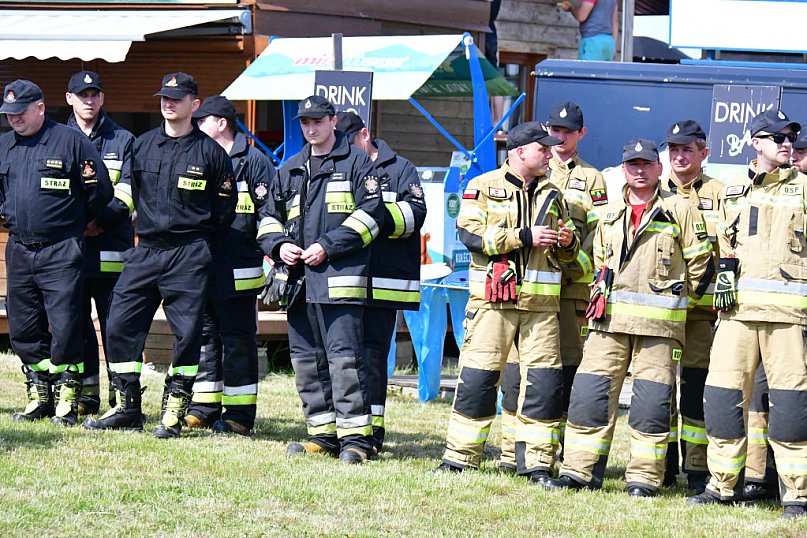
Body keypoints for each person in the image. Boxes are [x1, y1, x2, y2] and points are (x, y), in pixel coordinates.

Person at [542, 139, 713, 497]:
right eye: (632, 164)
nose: (639, 170)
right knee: (590, 398)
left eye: (646, 164)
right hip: (608, 324)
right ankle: (579, 472)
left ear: (658, 168)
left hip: (659, 329)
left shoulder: (679, 209)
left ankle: (644, 479)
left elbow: (702, 265)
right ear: (623, 169)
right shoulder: (611, 212)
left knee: (650, 405)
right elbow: (595, 261)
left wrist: (680, 301)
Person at [83, 73, 236, 438]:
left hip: (188, 253)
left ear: (194, 105)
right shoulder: (143, 145)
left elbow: (224, 210)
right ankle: (127, 406)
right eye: (164, 97)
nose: (168, 103)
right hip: (146, 250)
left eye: (177, 98)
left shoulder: (211, 154)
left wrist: (198, 243)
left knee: (186, 334)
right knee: (118, 323)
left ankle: (174, 409)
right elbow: (128, 192)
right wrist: (98, 220)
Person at [434, 122, 578, 483]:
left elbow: (570, 254)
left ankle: (538, 464)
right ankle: (460, 457)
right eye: (542, 149)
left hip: (541, 309)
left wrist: (565, 243)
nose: (550, 154)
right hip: (492, 304)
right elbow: (470, 234)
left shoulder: (553, 193)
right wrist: (522, 237)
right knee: (479, 378)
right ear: (519, 152)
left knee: (543, 386)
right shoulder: (482, 187)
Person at [687, 110, 807, 519]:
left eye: (791, 137)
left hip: (789, 319)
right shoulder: (732, 189)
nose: (787, 143)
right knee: (722, 399)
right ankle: (721, 485)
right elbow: (721, 245)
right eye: (777, 138)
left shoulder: (805, 188)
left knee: (791, 407)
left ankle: (797, 494)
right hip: (735, 316)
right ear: (756, 143)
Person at [257, 96, 385, 464]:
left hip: (339, 281)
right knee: (306, 361)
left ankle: (357, 441)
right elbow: (267, 218)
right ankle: (323, 435)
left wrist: (327, 247)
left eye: (317, 121)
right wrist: (279, 245)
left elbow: (371, 218)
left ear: (332, 121)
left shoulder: (359, 164)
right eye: (305, 123)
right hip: (298, 285)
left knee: (344, 361)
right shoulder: (290, 168)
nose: (310, 128)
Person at [499, 101, 607, 471]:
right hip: (526, 289)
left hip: (568, 292)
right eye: (553, 131)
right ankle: (511, 452)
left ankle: (550, 451)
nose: (559, 138)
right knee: (515, 373)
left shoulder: (593, 179)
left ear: (581, 134)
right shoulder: (527, 169)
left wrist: (575, 266)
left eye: (567, 132)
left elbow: (598, 238)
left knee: (560, 372)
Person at [0, 79, 112, 425]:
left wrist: (76, 222)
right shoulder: (4, 145)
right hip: (19, 247)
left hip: (61, 249)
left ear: (40, 108)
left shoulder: (70, 142)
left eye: (20, 113)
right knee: (23, 325)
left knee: (65, 325)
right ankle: (40, 392)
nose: (14, 119)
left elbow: (100, 190)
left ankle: (67, 394)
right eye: (9, 114)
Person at [183, 95, 276, 436]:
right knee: (205, 337)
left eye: (201, 121)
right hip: (203, 265)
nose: (195, 128)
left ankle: (239, 414)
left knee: (237, 340)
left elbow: (269, 214)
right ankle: (204, 407)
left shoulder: (253, 162)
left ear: (221, 123)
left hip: (239, 266)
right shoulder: (199, 157)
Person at [335, 111, 427, 453]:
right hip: (346, 281)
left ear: (365, 134)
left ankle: (372, 432)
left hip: (385, 282)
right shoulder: (340, 165)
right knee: (344, 357)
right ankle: (346, 429)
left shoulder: (400, 169)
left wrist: (371, 215)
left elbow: (415, 216)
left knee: (373, 357)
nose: (345, 148)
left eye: (348, 140)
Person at [65, 70, 136, 416]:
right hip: (72, 250)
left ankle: (121, 399)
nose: (89, 101)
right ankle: (86, 395)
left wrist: (99, 220)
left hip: (113, 248)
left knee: (116, 325)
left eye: (94, 95)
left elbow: (130, 190)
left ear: (102, 98)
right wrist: (80, 224)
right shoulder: (57, 138)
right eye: (82, 95)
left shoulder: (124, 140)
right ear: (70, 99)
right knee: (74, 324)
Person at [659, 120, 723, 493]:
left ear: (704, 153)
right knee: (659, 390)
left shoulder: (722, 193)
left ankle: (698, 469)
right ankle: (662, 465)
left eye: (687, 149)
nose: (678, 156)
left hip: (702, 313)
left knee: (696, 388)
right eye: (673, 150)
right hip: (661, 314)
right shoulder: (652, 189)